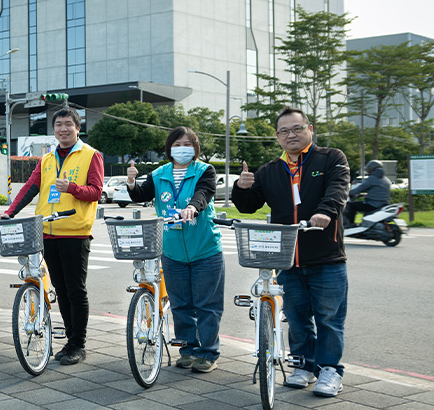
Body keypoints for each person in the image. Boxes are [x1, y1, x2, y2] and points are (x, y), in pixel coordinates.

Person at [232, 107, 351, 398]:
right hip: (287, 259)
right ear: (277, 136)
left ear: (310, 129)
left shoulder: (331, 158)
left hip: (326, 256)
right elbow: (248, 205)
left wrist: (325, 212)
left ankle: (330, 370)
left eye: (297, 128)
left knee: (328, 319)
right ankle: (303, 366)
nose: (291, 135)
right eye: (284, 131)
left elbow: (338, 189)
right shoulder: (270, 170)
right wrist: (241, 187)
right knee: (297, 318)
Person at [0, 108, 104, 365]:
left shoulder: (91, 155)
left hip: (75, 232)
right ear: (54, 129)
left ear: (78, 128)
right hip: (47, 232)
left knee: (76, 290)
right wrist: (10, 212)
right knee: (61, 290)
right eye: (58, 125)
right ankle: (70, 341)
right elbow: (31, 188)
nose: (63, 129)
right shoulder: (47, 159)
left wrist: (73, 189)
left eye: (68, 124)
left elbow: (96, 192)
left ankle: (78, 344)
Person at [126, 127, 223, 373]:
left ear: (195, 148)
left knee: (206, 305)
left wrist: (192, 207)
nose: (182, 148)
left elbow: (204, 194)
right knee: (180, 304)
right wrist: (131, 182)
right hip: (171, 251)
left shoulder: (205, 170)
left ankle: (208, 353)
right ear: (169, 148)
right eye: (177, 144)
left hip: (205, 249)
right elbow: (141, 195)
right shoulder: (159, 174)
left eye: (187, 143)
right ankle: (188, 349)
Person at [346, 160, 391, 226]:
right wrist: (365, 195)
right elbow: (378, 192)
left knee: (350, 205)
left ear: (371, 168)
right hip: (384, 203)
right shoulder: (386, 179)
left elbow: (359, 189)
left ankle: (350, 224)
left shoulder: (372, 178)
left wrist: (347, 193)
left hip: (373, 204)